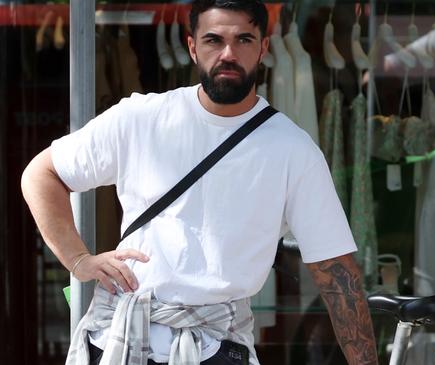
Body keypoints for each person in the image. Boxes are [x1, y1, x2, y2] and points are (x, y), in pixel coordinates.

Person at [20, 1, 378, 364]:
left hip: (216, 345)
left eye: (243, 39)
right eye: (213, 40)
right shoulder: (142, 118)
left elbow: (336, 271)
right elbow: (41, 174)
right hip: (118, 339)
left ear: (263, 48)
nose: (228, 53)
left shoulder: (293, 150)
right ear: (192, 47)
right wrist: (78, 259)